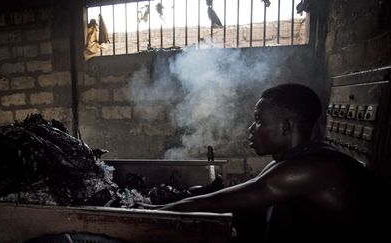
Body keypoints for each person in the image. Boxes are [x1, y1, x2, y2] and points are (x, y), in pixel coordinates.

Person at [151, 83, 388, 242]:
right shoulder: (292, 161)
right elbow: (239, 197)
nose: (251, 129)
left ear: (287, 126)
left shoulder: (309, 169)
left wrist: (146, 215)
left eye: (259, 121)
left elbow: (217, 201)